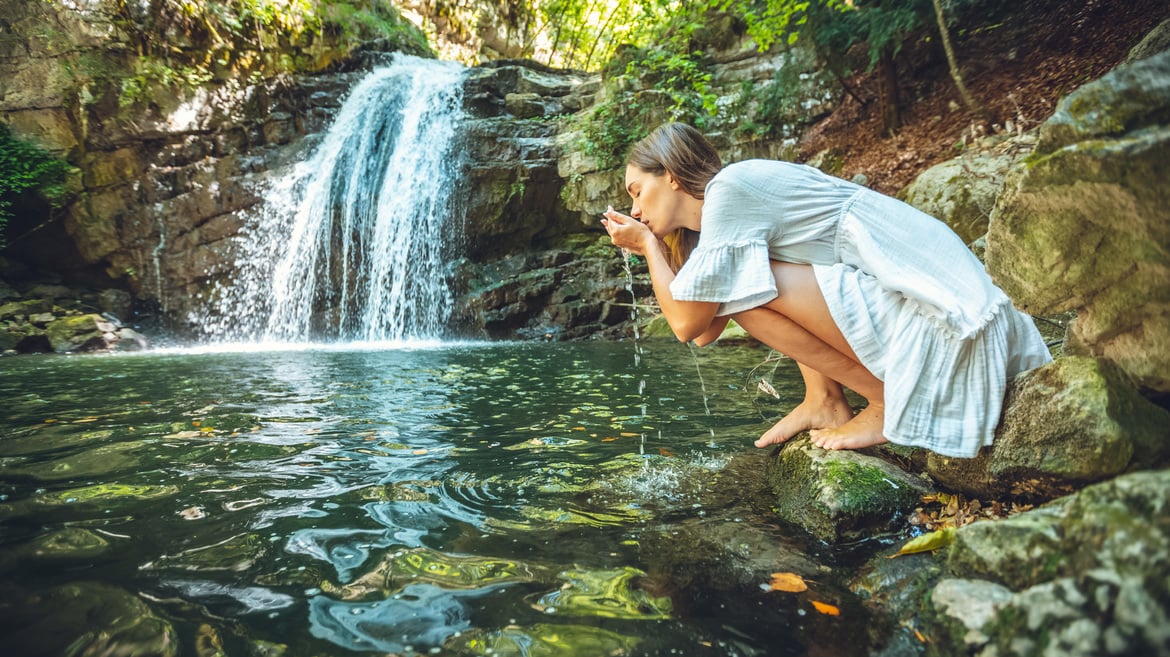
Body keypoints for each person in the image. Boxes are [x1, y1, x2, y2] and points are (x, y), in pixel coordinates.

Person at [601, 123, 1051, 458]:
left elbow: (684, 324)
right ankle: (824, 400)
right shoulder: (721, 216)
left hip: (941, 305)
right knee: (744, 291)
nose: (636, 210)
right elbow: (703, 333)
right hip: (905, 295)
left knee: (749, 294)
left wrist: (648, 248)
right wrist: (655, 247)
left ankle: (884, 400)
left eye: (637, 192)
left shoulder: (729, 191)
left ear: (673, 176)